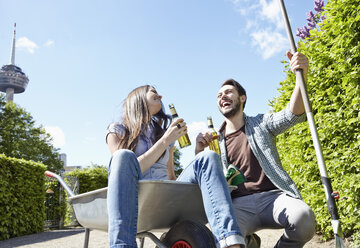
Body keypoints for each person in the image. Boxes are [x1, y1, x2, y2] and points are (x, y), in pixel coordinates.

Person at [195, 52, 317, 248]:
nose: (222, 97)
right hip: (238, 205)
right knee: (223, 241)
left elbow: (292, 115)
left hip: (274, 197)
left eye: (228, 92)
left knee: (304, 219)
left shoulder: (261, 123)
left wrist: (301, 75)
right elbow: (206, 179)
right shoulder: (215, 140)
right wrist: (199, 149)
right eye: (219, 95)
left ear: (242, 98)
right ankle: (249, 242)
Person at [106, 85, 245, 248]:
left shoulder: (163, 133)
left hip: (165, 200)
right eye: (154, 92)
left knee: (207, 156)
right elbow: (124, 172)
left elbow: (172, 179)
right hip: (134, 199)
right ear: (139, 98)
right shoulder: (118, 130)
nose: (161, 96)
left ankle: (230, 242)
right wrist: (164, 141)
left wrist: (198, 152)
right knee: (123, 156)